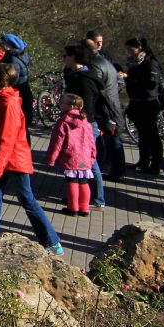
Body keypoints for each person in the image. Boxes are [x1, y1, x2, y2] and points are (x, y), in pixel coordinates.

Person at [0, 63, 64, 256]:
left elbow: (7, 138)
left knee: (26, 199)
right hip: (2, 158)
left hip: (12, 159)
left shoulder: (8, 103)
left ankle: (51, 241)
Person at [63, 44, 108, 209]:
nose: (64, 59)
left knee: (89, 161)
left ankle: (97, 198)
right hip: (80, 123)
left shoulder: (84, 80)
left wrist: (77, 122)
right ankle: (79, 197)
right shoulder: (76, 75)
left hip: (85, 124)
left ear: (73, 57)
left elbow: (88, 107)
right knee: (79, 161)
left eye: (66, 55)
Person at [46, 93, 97, 216]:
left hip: (70, 155)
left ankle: (72, 207)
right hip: (85, 156)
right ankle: (84, 208)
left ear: (69, 106)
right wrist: (92, 156)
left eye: (62, 102)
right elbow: (92, 141)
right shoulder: (86, 122)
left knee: (72, 181)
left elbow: (57, 142)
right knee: (84, 181)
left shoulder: (63, 122)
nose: (60, 104)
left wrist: (51, 159)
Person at [86, 36, 127, 180]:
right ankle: (117, 170)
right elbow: (120, 81)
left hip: (107, 107)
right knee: (113, 140)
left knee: (113, 140)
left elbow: (96, 87)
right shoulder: (105, 62)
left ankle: (117, 171)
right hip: (112, 104)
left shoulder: (95, 64)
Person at [123, 37, 164, 174]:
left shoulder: (150, 63)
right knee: (142, 134)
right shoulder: (133, 63)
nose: (129, 52)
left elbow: (152, 84)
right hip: (136, 101)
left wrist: (132, 80)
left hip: (148, 103)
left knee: (152, 134)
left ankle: (156, 164)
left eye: (131, 49)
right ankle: (143, 160)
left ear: (139, 48)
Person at [0, 33, 33, 144]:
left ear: (9, 44)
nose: (0, 44)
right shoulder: (22, 55)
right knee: (23, 125)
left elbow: (13, 79)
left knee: (20, 125)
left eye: (3, 42)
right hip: (25, 92)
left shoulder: (12, 59)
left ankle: (24, 149)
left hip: (18, 95)